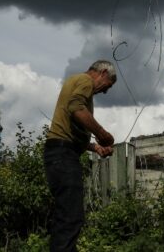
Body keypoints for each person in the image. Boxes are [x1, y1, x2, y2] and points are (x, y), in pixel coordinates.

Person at [44, 59, 117, 252]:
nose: (105, 91)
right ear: (102, 73)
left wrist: (96, 148)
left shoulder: (75, 82)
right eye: (107, 85)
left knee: (68, 215)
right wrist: (103, 134)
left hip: (60, 152)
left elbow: (70, 131)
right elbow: (76, 108)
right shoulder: (85, 80)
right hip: (63, 155)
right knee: (70, 216)